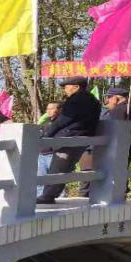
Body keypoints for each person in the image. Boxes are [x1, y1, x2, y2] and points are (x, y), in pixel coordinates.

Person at [36, 76, 101, 204]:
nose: (65, 89)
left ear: (76, 87)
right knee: (66, 168)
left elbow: (64, 119)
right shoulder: (93, 100)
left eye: (67, 86)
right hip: (83, 137)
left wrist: (48, 133)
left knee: (58, 168)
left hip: (69, 137)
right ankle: (50, 195)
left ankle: (47, 196)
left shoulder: (77, 99)